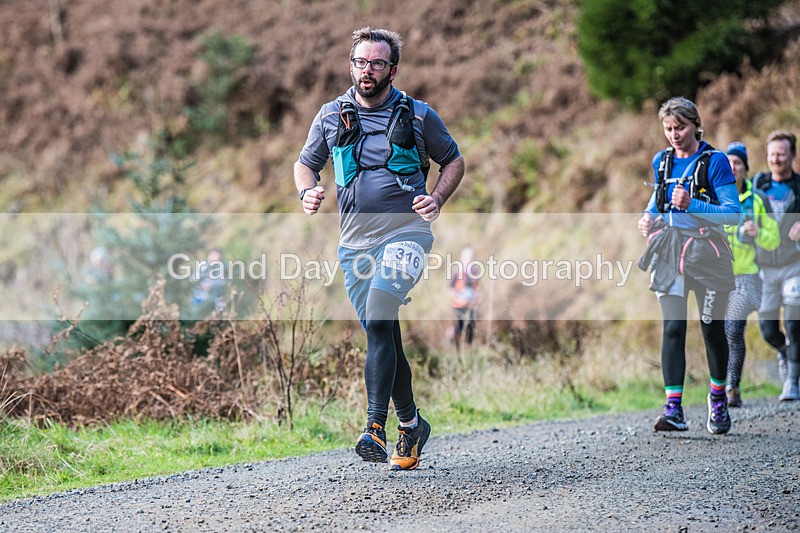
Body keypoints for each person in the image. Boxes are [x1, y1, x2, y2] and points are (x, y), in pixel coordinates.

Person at [294, 28, 465, 469]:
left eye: (376, 63)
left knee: (381, 311)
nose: (367, 70)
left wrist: (437, 198)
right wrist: (307, 191)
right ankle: (411, 424)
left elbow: (453, 160)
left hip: (406, 233)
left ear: (393, 69)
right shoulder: (331, 115)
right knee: (379, 330)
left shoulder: (420, 115)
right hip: (354, 243)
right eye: (360, 62)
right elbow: (305, 164)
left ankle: (374, 426)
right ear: (351, 65)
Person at [637, 97, 741, 434]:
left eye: (680, 127)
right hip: (670, 254)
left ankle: (718, 398)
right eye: (668, 129)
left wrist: (692, 203)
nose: (674, 135)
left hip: (708, 255)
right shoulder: (662, 161)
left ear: (696, 125)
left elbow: (733, 214)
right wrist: (647, 218)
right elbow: (657, 202)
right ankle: (673, 409)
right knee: (672, 328)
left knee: (711, 328)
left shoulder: (715, 161)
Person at [723, 142, 779, 407]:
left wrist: (759, 233)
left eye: (737, 163)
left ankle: (731, 387)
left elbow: (774, 238)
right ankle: (719, 386)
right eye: (728, 162)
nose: (733, 167)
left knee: (733, 326)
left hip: (748, 276)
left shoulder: (757, 199)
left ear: (745, 168)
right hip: (716, 277)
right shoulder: (713, 198)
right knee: (719, 332)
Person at [752, 131, 800, 401]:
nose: (776, 159)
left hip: (794, 265)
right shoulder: (757, 185)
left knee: (794, 325)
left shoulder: (799, 187)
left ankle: (792, 383)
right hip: (765, 266)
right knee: (769, 330)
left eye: (781, 154)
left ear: (792, 155)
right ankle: (786, 353)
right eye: (772, 154)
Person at [450, 246, 480, 352]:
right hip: (458, 305)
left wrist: (477, 297)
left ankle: (468, 350)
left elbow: (478, 287)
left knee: (470, 328)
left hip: (471, 305)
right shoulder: (457, 271)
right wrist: (457, 295)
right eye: (467, 257)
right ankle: (456, 348)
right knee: (459, 327)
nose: (469, 259)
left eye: (470, 257)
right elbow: (450, 288)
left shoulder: (475, 271)